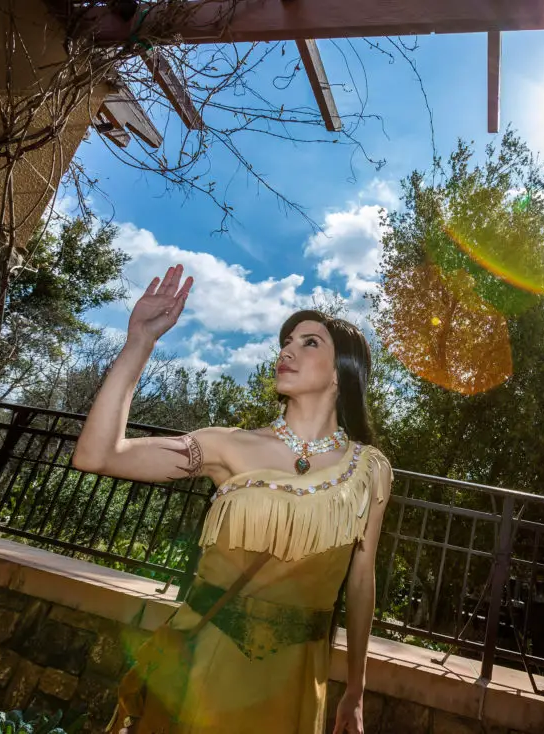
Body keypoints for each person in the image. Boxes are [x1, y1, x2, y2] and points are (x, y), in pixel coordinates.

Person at [72, 264, 392, 734]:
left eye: (310, 342)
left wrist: (356, 690)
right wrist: (140, 342)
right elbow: (97, 455)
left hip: (294, 679)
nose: (287, 350)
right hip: (201, 662)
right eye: (286, 341)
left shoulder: (369, 470)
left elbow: (361, 582)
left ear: (342, 372)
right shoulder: (227, 446)